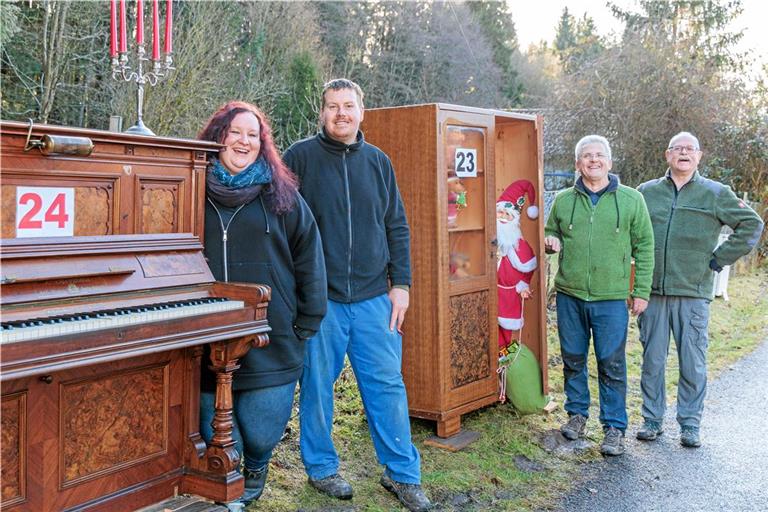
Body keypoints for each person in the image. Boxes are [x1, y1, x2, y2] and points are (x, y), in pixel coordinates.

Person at [283, 78, 432, 512]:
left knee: (387, 386)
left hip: (373, 300)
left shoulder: (378, 162)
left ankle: (402, 474)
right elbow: (285, 225)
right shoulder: (300, 158)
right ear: (322, 112)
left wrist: (400, 285)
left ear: (362, 112)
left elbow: (397, 227)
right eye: (333, 106)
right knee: (316, 387)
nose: (341, 114)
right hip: (320, 300)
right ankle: (322, 467)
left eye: (348, 106)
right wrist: (296, 289)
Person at [197, 101, 327, 506]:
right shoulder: (189, 187)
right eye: (235, 132)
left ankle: (255, 468)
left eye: (253, 135)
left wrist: (308, 319)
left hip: (271, 337)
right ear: (218, 136)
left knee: (260, 431)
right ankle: (225, 484)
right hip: (202, 334)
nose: (244, 141)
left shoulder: (281, 196)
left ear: (262, 144)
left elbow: (310, 255)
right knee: (211, 427)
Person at [636, 132, 763, 448]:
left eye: (689, 149)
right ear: (667, 155)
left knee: (692, 362)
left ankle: (690, 424)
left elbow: (752, 225)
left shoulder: (716, 193)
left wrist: (718, 260)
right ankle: (652, 421)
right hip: (652, 292)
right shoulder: (645, 193)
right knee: (652, 360)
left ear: (699, 156)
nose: (683, 153)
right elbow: (629, 233)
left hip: (693, 292)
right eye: (677, 148)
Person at [544, 135, 654, 456]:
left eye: (599, 155)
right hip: (570, 296)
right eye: (586, 156)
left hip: (611, 299)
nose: (593, 160)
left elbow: (645, 248)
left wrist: (641, 291)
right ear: (577, 164)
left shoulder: (632, 200)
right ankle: (577, 415)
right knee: (573, 358)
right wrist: (550, 240)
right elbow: (552, 230)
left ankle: (614, 428)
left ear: (609, 161)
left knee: (612, 363)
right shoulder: (564, 200)